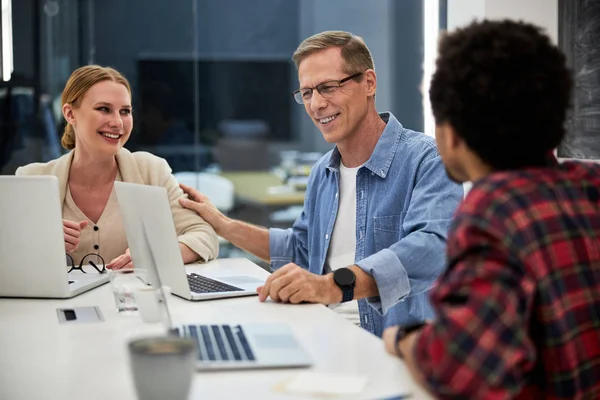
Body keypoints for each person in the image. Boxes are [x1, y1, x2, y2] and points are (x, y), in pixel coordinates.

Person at [180, 31, 463, 336]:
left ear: (368, 82)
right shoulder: (323, 172)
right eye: (306, 93)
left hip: (391, 346)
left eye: (328, 87)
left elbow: (433, 248)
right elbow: (301, 249)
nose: (316, 104)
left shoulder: (427, 159)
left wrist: (331, 287)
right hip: (324, 330)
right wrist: (222, 225)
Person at [383, 20, 600, 399]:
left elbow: (457, 368)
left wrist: (403, 339)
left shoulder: (493, 211)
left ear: (451, 134)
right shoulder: (590, 184)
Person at [16, 65, 219, 270]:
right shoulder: (32, 179)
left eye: (125, 111)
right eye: (104, 109)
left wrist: (158, 254)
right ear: (70, 114)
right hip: (58, 303)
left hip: (133, 301)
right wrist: (37, 240)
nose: (117, 123)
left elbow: (204, 235)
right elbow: (11, 248)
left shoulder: (151, 171)